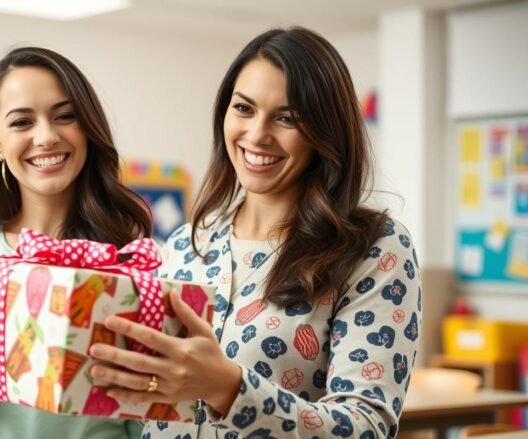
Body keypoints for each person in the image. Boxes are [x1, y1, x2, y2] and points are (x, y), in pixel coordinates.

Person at [89, 27, 422, 438]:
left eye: (286, 118)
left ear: (326, 133)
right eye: (244, 109)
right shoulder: (187, 243)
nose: (257, 134)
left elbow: (366, 427)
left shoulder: (375, 249)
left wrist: (227, 387)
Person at [0, 47, 150, 438]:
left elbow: (145, 417)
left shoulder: (126, 256)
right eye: (22, 121)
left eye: (65, 116)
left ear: (87, 127)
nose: (47, 136)